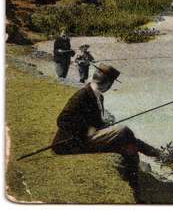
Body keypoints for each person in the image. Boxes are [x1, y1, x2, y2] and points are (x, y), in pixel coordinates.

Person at [51, 64, 161, 193]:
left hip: (84, 139)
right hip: (69, 144)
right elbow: (62, 120)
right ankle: (155, 154)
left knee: (127, 145)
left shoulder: (98, 96)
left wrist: (103, 127)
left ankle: (135, 184)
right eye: (111, 84)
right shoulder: (82, 94)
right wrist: (87, 129)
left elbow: (95, 121)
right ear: (108, 84)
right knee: (123, 131)